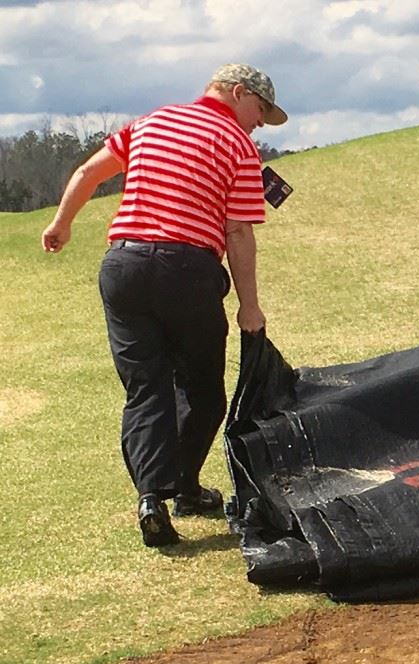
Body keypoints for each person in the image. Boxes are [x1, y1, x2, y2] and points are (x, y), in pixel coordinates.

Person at [41, 63, 287, 547]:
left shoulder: (152, 121)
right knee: (201, 391)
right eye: (259, 110)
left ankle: (152, 497)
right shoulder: (237, 145)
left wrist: (61, 223)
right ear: (237, 94)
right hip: (187, 269)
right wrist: (249, 306)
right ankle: (186, 487)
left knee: (145, 390)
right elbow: (238, 230)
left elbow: (91, 172)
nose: (259, 123)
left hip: (124, 267)